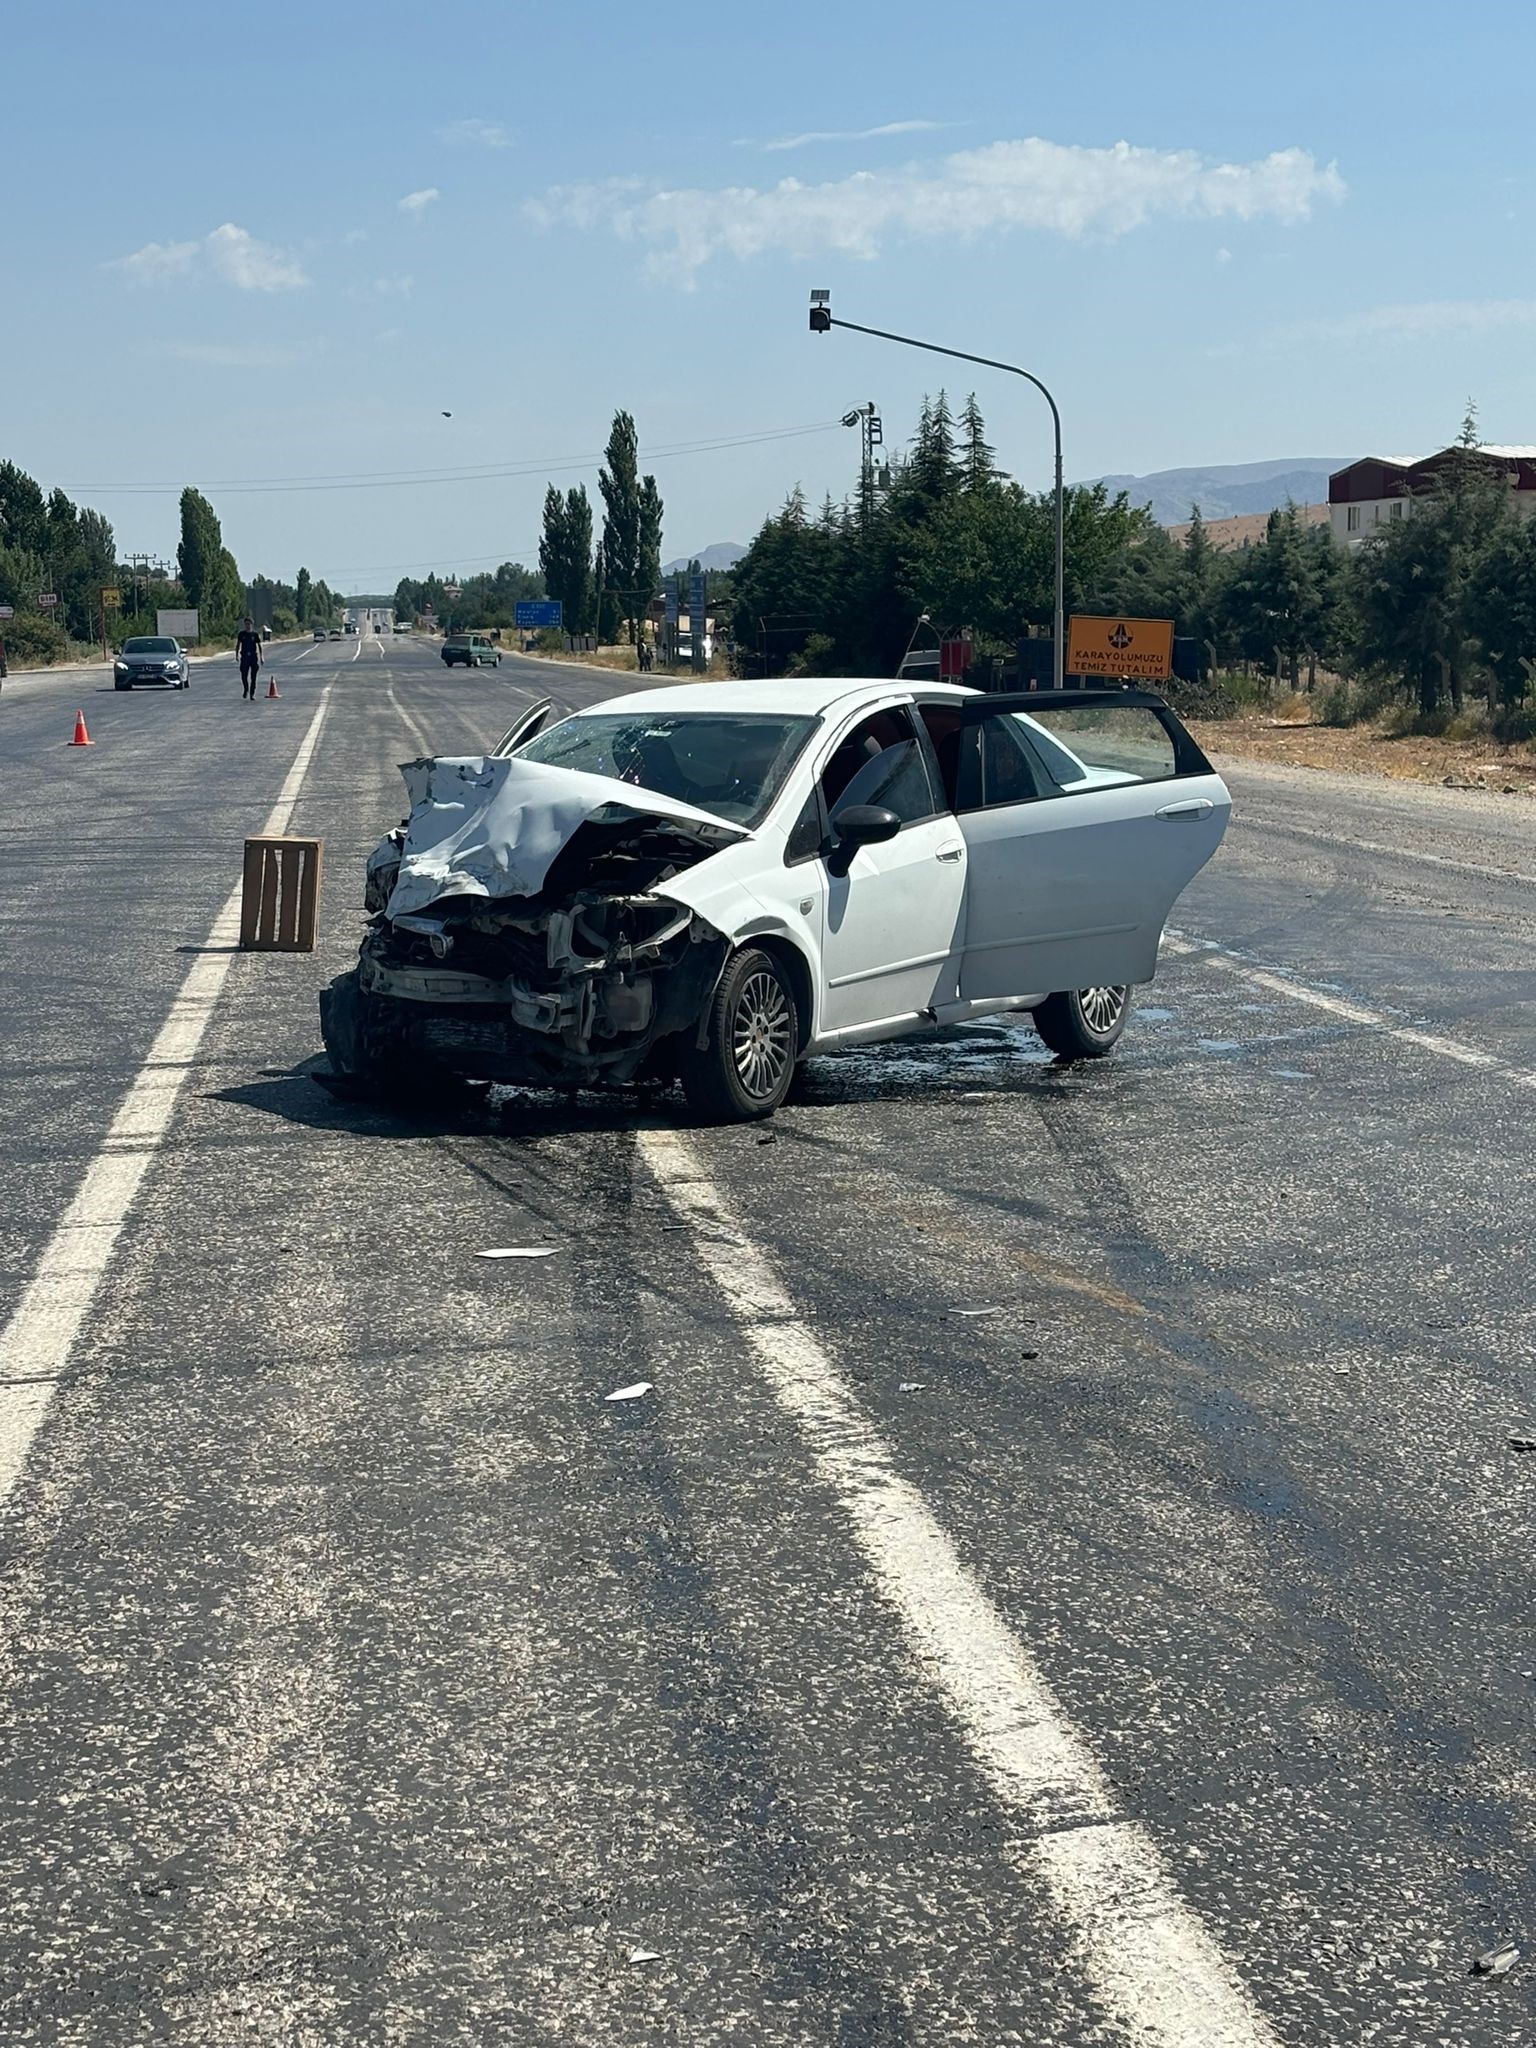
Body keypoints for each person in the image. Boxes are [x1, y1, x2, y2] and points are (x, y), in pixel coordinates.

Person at [235, 616, 262, 699]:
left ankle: (252, 693)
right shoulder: (241, 634)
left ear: (252, 624)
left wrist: (262, 657)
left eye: (249, 624)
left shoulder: (255, 634)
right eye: (246, 624)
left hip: (253, 657)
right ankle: (246, 689)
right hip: (244, 657)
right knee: (244, 676)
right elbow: (238, 645)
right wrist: (236, 655)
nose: (247, 625)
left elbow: (259, 646)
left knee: (253, 677)